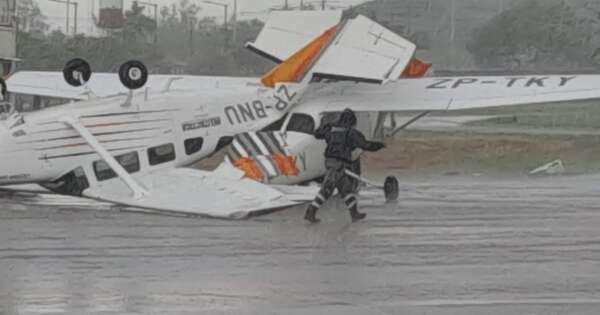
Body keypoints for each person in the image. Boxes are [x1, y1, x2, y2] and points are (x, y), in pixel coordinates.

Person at [304, 108, 386, 223]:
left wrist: (327, 125)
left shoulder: (331, 129)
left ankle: (354, 214)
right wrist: (379, 145)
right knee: (326, 189)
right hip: (338, 164)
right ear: (352, 121)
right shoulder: (351, 133)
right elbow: (366, 145)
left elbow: (317, 134)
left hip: (330, 161)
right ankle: (310, 211)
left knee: (346, 189)